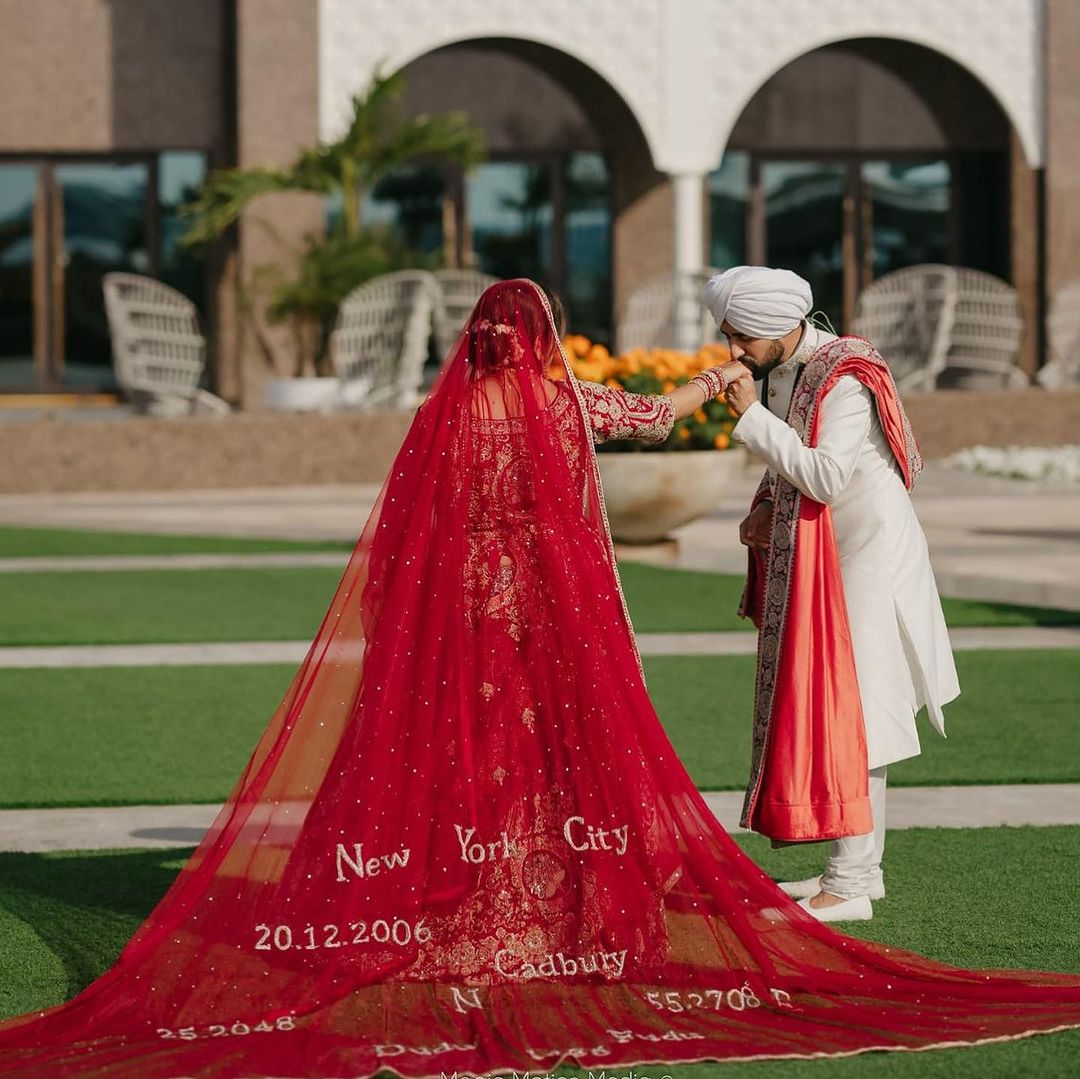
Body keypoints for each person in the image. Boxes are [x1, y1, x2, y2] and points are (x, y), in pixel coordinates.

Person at [0, 279, 1077, 1078]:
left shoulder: (451, 416)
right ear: (543, 341)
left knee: (462, 754)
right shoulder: (560, 403)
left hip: (457, 624)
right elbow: (648, 418)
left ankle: (459, 902)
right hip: (541, 624)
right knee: (544, 752)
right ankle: (547, 912)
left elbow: (406, 542)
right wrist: (714, 385)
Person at [704, 265, 961, 923]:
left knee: (864, 722)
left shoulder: (844, 379)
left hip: (870, 563)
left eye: (740, 337)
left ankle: (849, 885)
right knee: (856, 716)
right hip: (835, 561)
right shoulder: (795, 369)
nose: (733, 350)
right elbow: (791, 464)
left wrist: (749, 417)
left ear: (775, 327)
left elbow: (823, 474)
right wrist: (765, 503)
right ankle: (856, 873)